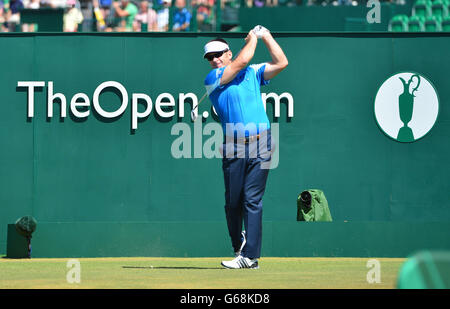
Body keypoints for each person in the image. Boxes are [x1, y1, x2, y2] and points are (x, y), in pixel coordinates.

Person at [202, 26, 288, 269]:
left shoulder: (254, 72)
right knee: (233, 202)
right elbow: (241, 62)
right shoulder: (213, 79)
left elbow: (281, 62)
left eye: (219, 54)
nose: (215, 59)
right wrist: (252, 39)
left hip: (262, 142)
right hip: (233, 147)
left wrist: (267, 36)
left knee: (252, 199)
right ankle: (238, 244)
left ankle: (250, 257)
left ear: (228, 52)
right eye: (210, 57)